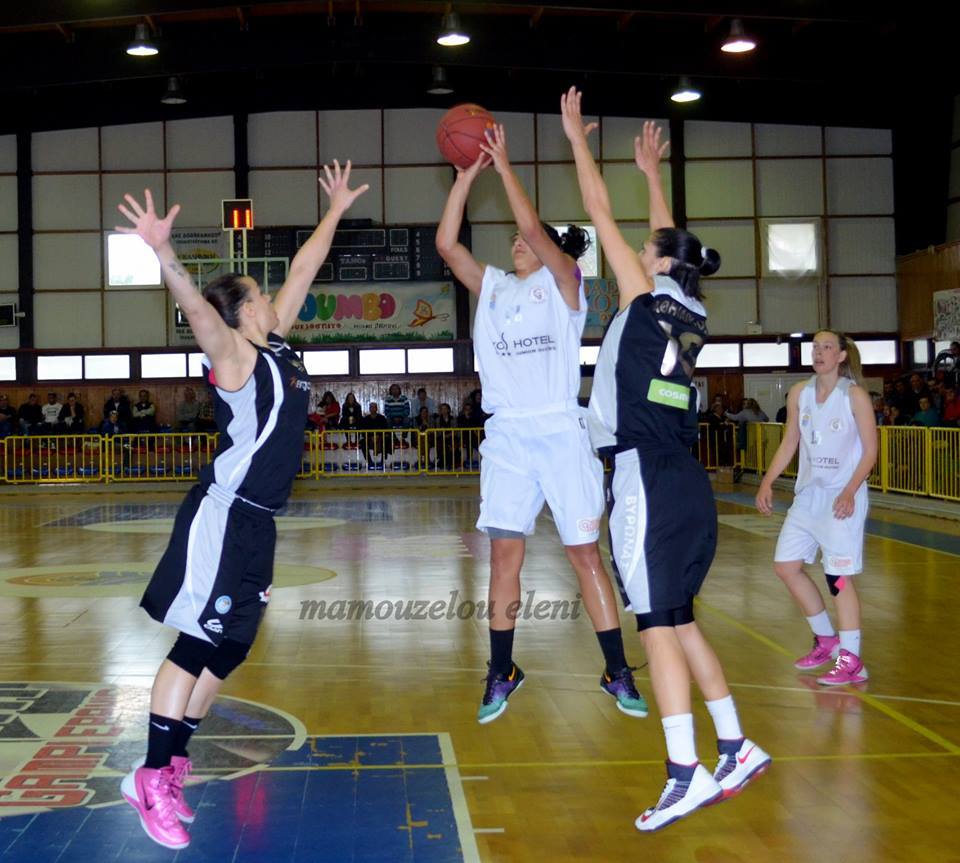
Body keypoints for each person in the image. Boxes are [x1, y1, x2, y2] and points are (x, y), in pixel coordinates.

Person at [114, 162, 367, 850]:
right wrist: (164, 253)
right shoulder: (234, 357)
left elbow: (307, 266)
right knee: (197, 641)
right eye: (259, 293)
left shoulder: (277, 343)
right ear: (245, 310)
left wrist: (335, 211)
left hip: (259, 523)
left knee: (229, 648)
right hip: (223, 515)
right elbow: (199, 313)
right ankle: (151, 775)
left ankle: (173, 763)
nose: (272, 296)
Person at [561, 88, 771, 831]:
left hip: (646, 476)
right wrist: (652, 175)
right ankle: (734, 745)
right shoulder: (693, 309)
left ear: (654, 264)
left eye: (647, 249)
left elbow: (598, 210)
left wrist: (577, 140)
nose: (638, 250)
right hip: (684, 478)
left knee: (655, 622)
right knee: (680, 620)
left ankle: (686, 772)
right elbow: (666, 239)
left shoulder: (645, 296)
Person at [436, 119, 645, 726]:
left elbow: (532, 227)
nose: (518, 243)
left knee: (584, 555)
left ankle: (616, 669)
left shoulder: (566, 285)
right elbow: (447, 245)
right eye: (515, 241)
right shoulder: (494, 287)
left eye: (528, 240)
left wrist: (503, 166)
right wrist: (464, 176)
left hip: (559, 431)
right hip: (507, 435)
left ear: (555, 252)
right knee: (504, 557)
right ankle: (502, 670)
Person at [756, 331, 877, 692]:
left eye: (827, 347)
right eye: (815, 347)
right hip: (809, 497)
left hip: (842, 497)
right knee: (786, 566)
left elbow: (870, 451)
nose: (818, 352)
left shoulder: (854, 395)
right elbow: (790, 442)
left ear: (841, 356)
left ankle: (852, 661)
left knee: (838, 579)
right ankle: (826, 639)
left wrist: (850, 490)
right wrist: (767, 482)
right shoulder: (800, 393)